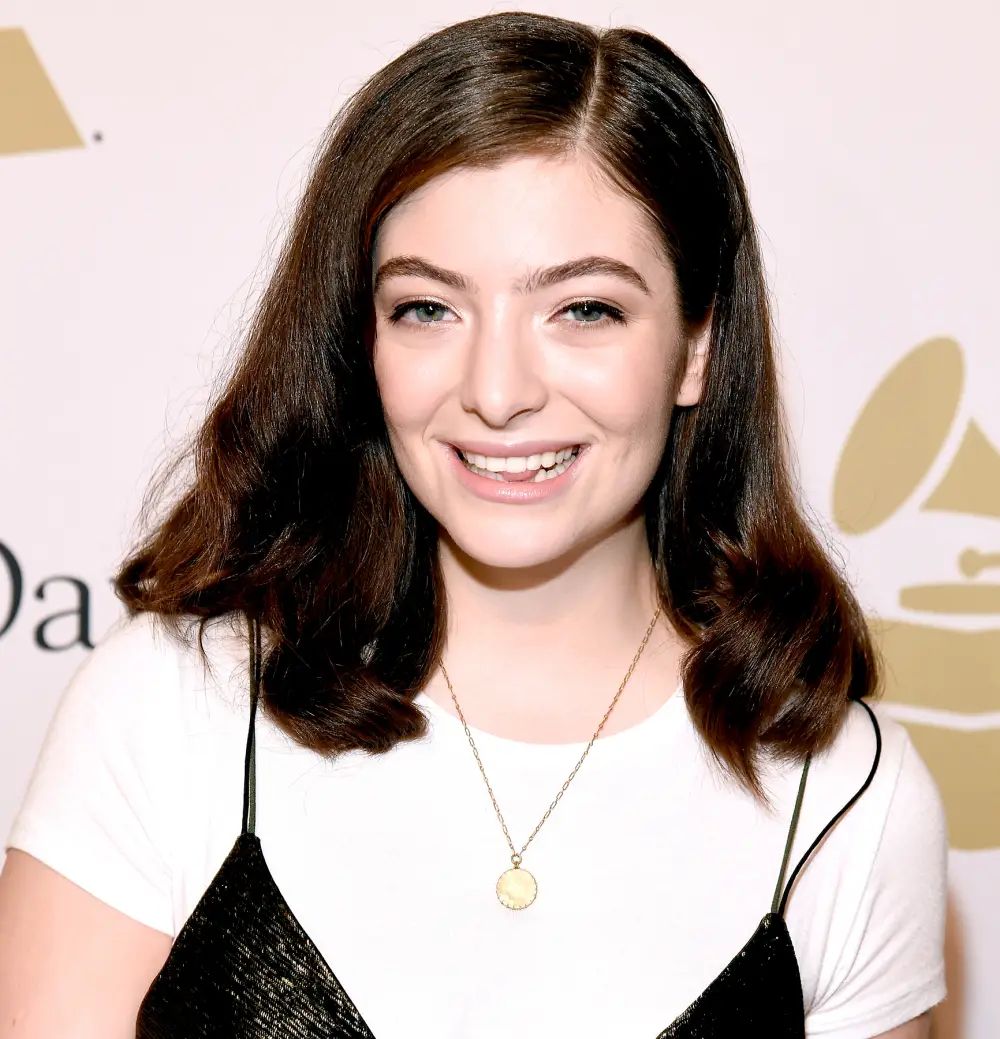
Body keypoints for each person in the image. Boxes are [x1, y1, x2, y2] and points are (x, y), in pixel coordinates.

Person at [0, 11, 946, 1039]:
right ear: (360, 338)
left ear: (695, 346)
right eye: (428, 309)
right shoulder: (175, 708)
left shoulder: (843, 797)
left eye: (583, 309)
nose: (497, 392)